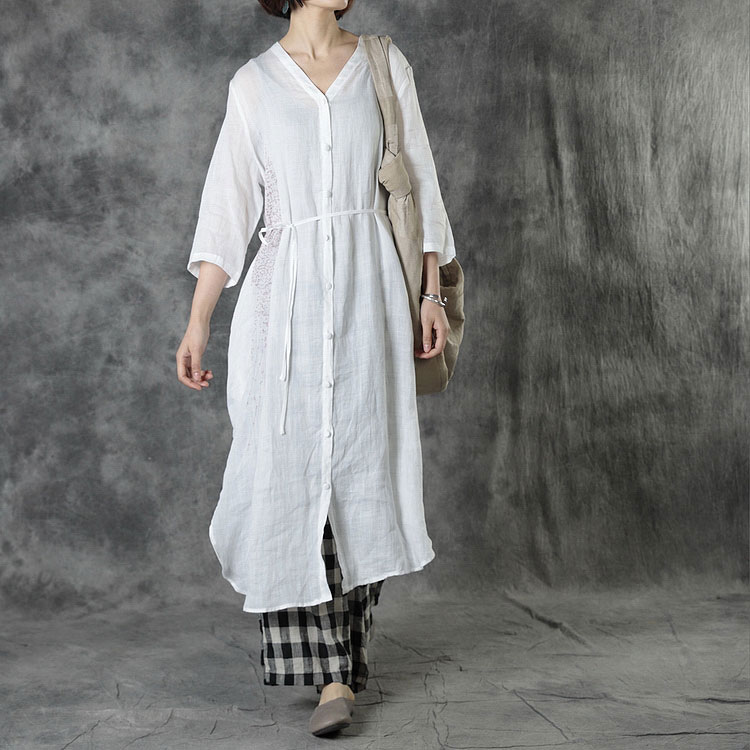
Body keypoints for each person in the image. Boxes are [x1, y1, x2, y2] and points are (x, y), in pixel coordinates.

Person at [175, 0, 456, 737]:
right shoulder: (254, 84)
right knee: (291, 477)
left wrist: (431, 294)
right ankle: (332, 671)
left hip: (370, 301)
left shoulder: (384, 65)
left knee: (358, 471)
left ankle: (340, 672)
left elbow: (419, 185)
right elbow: (227, 210)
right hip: (286, 316)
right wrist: (199, 320)